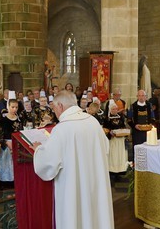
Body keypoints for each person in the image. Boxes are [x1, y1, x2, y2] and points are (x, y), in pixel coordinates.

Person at [31, 91, 113, 228]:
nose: (54, 112)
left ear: (61, 106)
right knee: (95, 217)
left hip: (73, 187)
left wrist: (38, 150)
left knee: (75, 217)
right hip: (94, 183)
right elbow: (105, 148)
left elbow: (47, 164)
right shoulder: (92, 121)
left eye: (55, 108)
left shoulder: (61, 129)